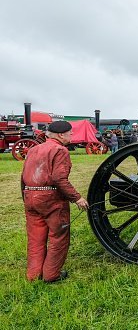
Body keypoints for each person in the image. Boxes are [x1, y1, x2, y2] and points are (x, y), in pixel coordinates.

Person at [21, 120, 89, 283]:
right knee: (58, 236)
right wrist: (77, 197)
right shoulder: (60, 150)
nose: (72, 135)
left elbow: (23, 176)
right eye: (70, 133)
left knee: (35, 238)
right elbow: (59, 178)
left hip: (30, 196)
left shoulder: (34, 149)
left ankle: (33, 276)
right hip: (51, 199)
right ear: (60, 135)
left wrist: (26, 197)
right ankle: (52, 275)